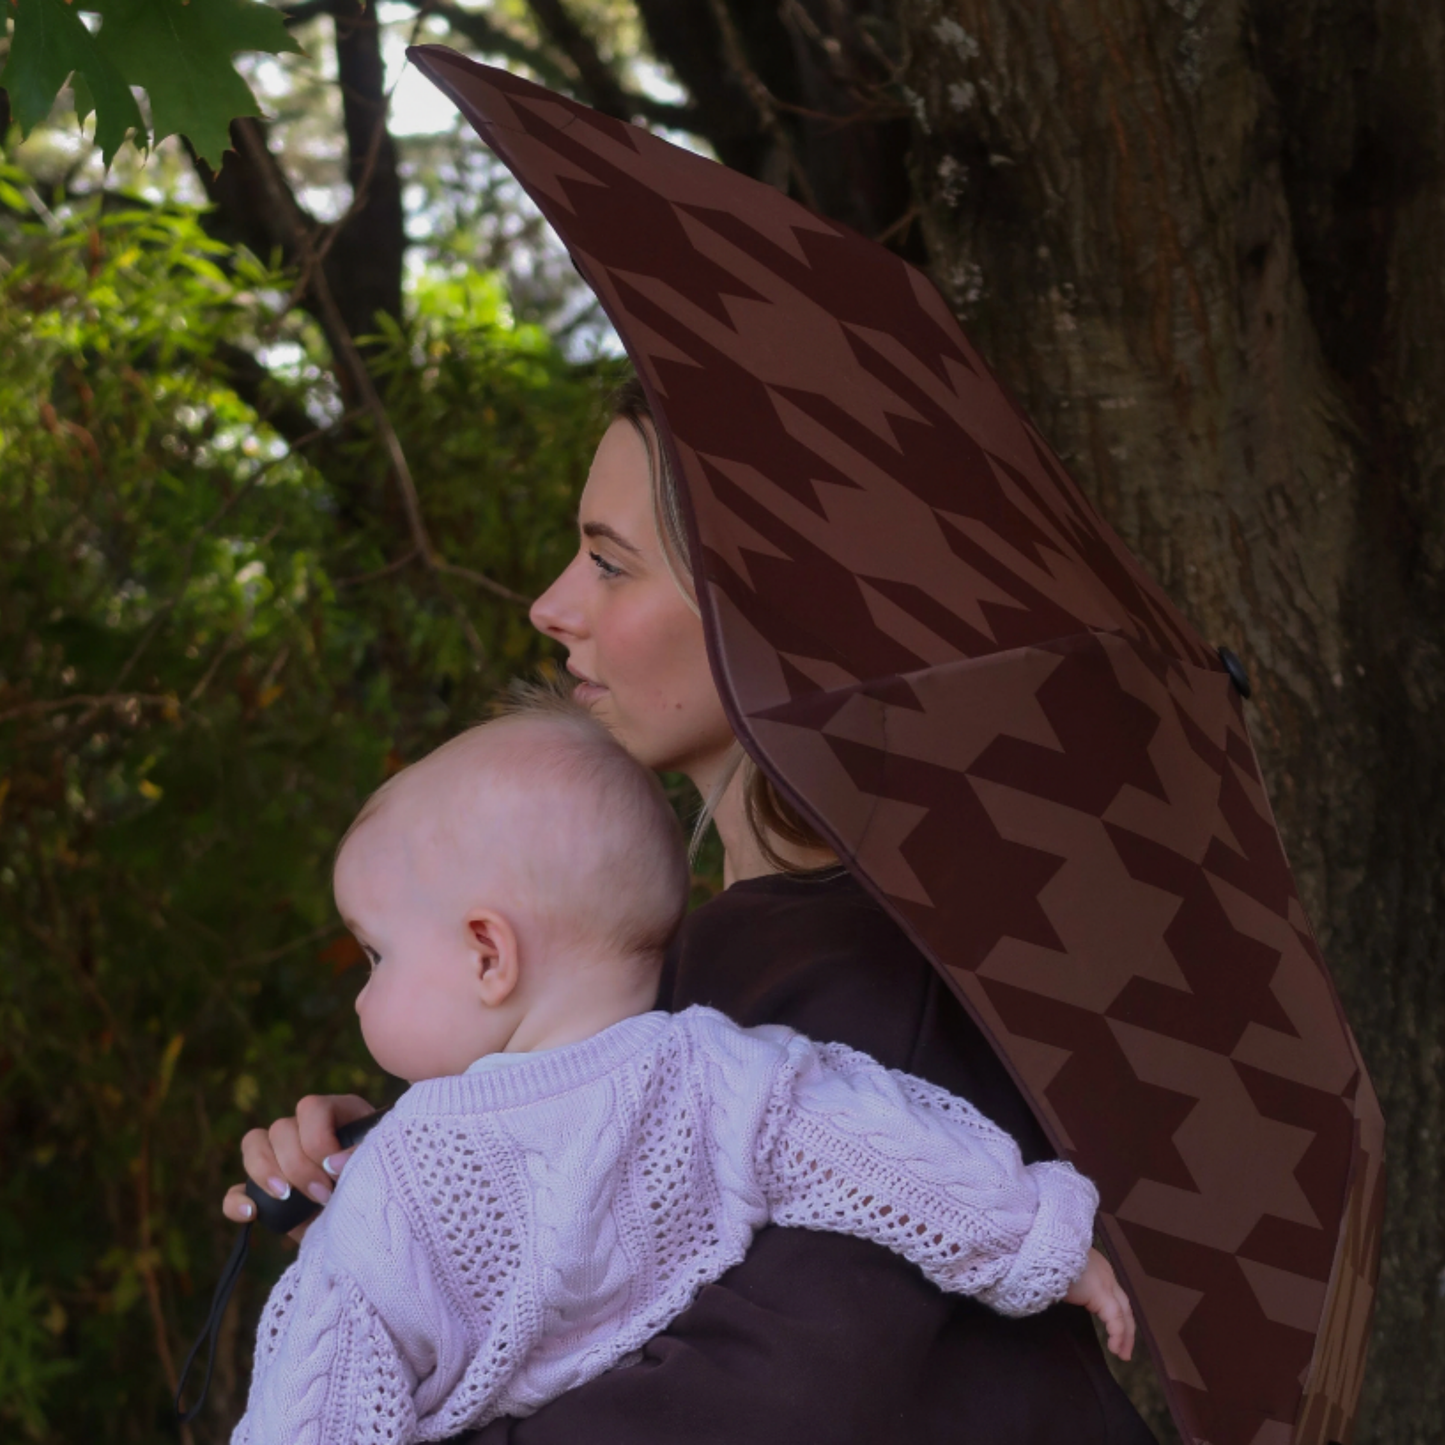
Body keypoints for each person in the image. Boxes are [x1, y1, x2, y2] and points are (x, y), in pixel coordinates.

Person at [225, 375, 1160, 1445]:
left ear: (761, 607)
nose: (549, 605)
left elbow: (754, 1404)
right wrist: (425, 1234)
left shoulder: (865, 969)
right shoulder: (695, 959)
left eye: (609, 562)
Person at [229, 697, 1131, 1445]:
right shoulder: (718, 1067)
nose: (361, 993)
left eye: (376, 955)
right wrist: (1038, 1244)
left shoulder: (393, 1189)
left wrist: (340, 1226)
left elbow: (317, 1406)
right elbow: (880, 1146)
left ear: (487, 954)